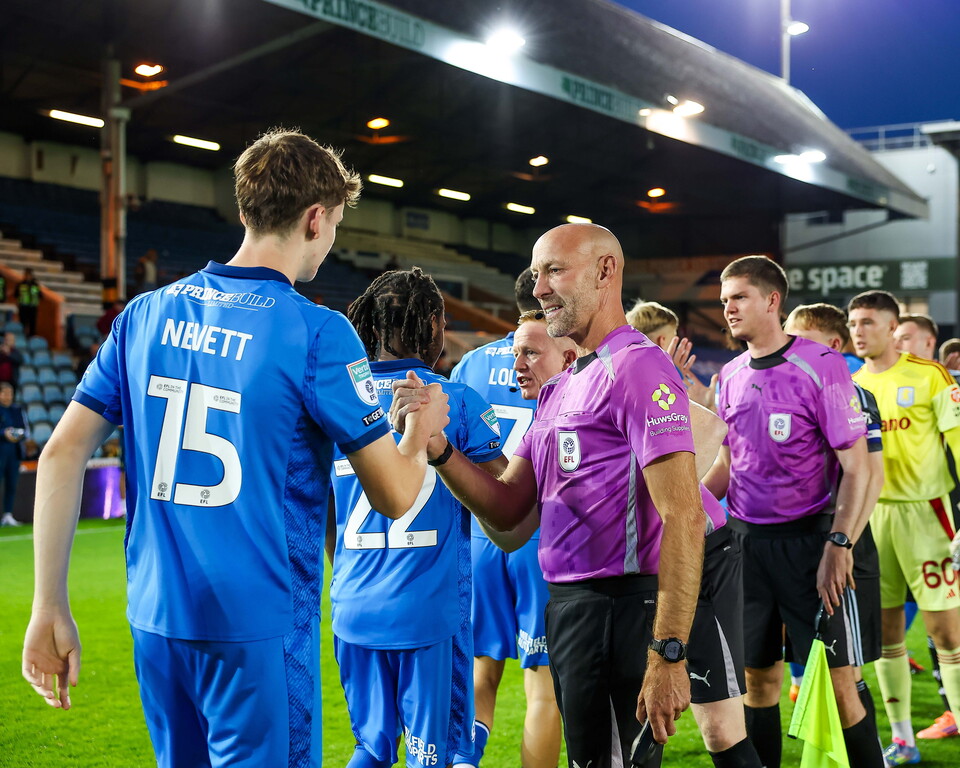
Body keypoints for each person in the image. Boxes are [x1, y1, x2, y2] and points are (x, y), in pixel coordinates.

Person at [21, 128, 450, 768]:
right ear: (313, 218)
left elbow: (60, 454)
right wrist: (420, 431)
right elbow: (393, 494)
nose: (329, 244)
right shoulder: (317, 330)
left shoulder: (143, 315)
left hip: (157, 617)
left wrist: (49, 603)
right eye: (333, 225)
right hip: (256, 626)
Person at [392, 223, 708, 768]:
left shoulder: (636, 366)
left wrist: (669, 652)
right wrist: (440, 448)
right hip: (569, 608)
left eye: (554, 271)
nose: (538, 288)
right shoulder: (563, 382)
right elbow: (510, 512)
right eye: (537, 274)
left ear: (606, 271)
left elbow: (684, 513)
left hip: (622, 607)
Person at [703, 256, 883, 768]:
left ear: (771, 300)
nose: (728, 308)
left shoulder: (820, 365)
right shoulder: (732, 374)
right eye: (724, 300)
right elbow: (727, 463)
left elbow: (858, 469)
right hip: (745, 548)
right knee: (757, 681)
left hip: (811, 545)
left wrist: (839, 542)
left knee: (841, 683)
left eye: (738, 297)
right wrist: (686, 503)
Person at [327, 267, 505, 768]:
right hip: (428, 612)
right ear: (429, 323)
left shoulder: (340, 399)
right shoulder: (455, 400)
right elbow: (506, 492)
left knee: (371, 748)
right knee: (437, 756)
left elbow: (328, 517)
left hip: (353, 604)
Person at [628, 300, 762, 767]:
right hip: (636, 569)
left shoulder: (646, 382)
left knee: (720, 725)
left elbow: (701, 456)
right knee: (639, 723)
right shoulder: (581, 386)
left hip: (703, 553)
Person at [448, 271, 566, 768]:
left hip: (481, 533)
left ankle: (462, 761)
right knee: (543, 685)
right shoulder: (564, 352)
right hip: (543, 536)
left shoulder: (471, 363)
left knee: (481, 671)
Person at [849, 290, 960, 763]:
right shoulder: (850, 384)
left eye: (868, 322)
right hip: (875, 519)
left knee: (947, 634)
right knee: (888, 634)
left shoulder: (929, 376)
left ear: (892, 327)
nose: (858, 330)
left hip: (927, 514)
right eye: (853, 322)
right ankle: (902, 740)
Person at [783, 303, 886, 713]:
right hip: (796, 546)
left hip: (842, 543)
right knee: (803, 665)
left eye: (800, 340)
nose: (790, 349)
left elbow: (871, 477)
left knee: (846, 671)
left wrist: (844, 544)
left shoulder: (853, 392)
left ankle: (869, 749)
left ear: (833, 345)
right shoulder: (780, 386)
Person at [895, 313, 958, 741]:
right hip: (921, 521)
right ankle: (949, 711)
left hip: (945, 517)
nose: (899, 347)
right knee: (940, 628)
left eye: (906, 338)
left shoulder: (939, 388)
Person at [0, 381, 28, 527]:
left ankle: (8, 515)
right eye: (4, 393)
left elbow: (24, 429)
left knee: (11, 484)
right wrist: (3, 433)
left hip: (14, 452)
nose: (8, 396)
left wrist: (19, 434)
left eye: (10, 393)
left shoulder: (17, 409)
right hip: (1, 449)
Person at [16, 268, 41, 338]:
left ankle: (31, 337)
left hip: (33, 307)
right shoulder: (21, 284)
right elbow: (16, 294)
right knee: (23, 324)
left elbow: (40, 295)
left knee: (32, 324)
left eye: (29, 275)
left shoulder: (35, 285)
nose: (28, 276)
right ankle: (22, 337)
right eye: (26, 274)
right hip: (23, 307)